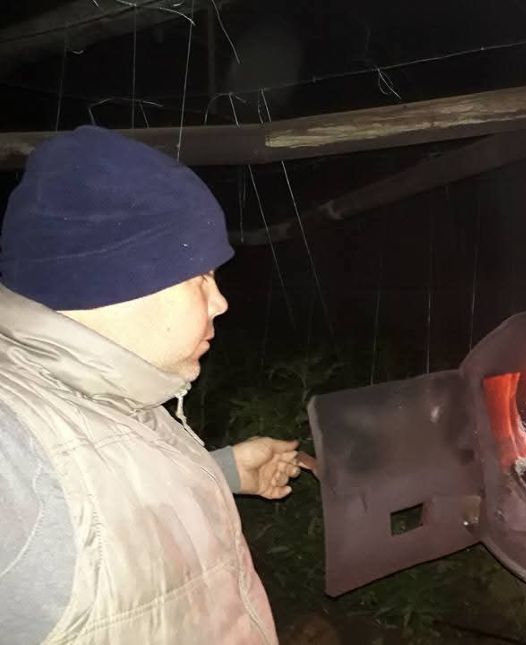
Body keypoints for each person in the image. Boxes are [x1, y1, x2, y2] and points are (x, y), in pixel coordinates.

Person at [0, 126, 305, 644]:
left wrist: (218, 471)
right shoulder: (10, 445)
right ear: (115, 282)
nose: (220, 302)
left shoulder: (99, 388)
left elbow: (90, 504)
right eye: (200, 277)